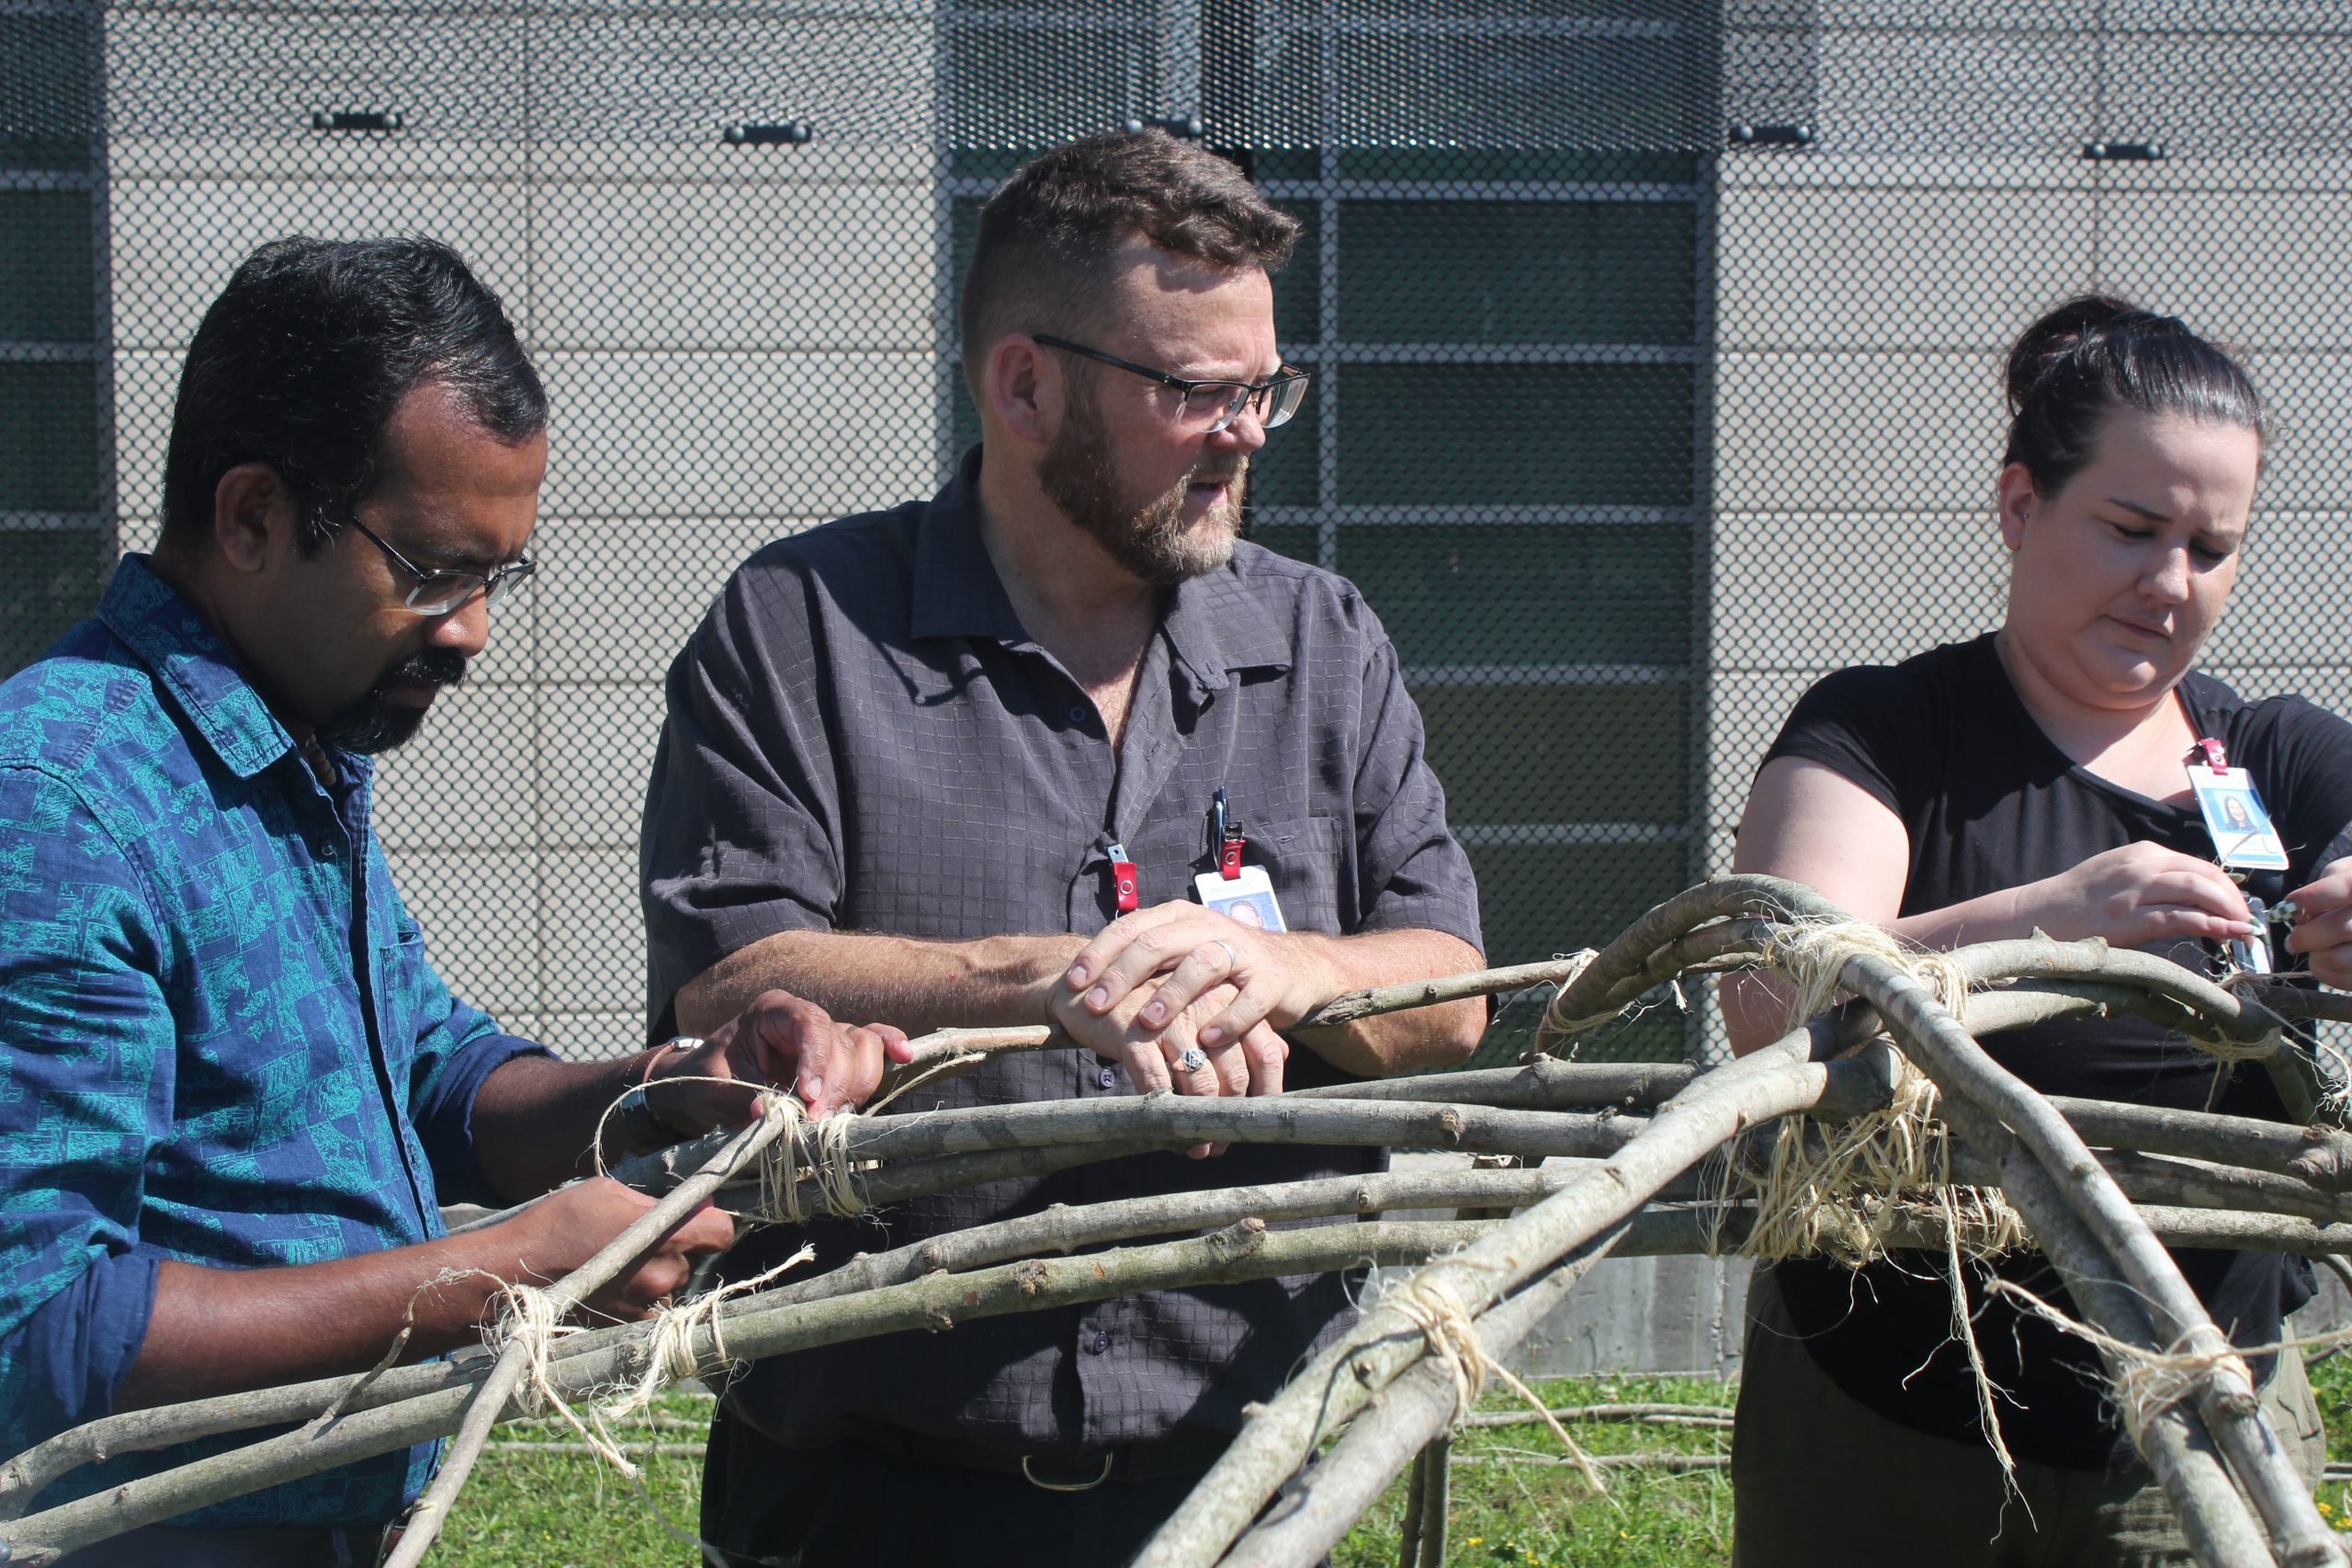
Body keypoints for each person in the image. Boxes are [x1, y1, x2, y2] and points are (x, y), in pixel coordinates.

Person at [639, 128, 1487, 1566]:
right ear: (1023, 384)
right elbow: (731, 988)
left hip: (1243, 1479)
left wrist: (1278, 969)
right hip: (870, 1493)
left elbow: (1452, 992)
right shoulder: (799, 629)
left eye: (1265, 387)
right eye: (1194, 391)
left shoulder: (1320, 642)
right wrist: (1038, 977)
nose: (1248, 432)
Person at [0, 236, 907, 1566]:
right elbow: (40, 1330)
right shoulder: (61, 804)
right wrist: (505, 1274)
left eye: (498, 577)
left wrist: (673, 1089)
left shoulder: (290, 750)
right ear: (251, 518)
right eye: (430, 570)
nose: (474, 630)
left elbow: (434, 1079)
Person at [1723, 295, 2352, 1565]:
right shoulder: (1886, 731)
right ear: (2020, 509)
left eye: (2212, 547)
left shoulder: (2279, 755)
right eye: (2131, 530)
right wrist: (2055, 918)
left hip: (2198, 1411)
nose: (2171, 584)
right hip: (1890, 1415)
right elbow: (1773, 993)